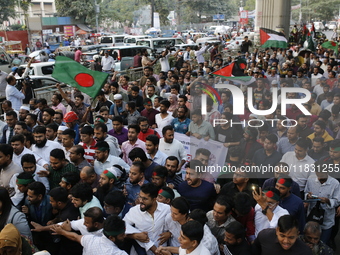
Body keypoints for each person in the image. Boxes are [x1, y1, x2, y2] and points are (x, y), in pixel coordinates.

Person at [123, 183, 170, 254]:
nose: (141, 201)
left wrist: (170, 234)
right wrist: (134, 236)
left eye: (145, 199)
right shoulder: (134, 211)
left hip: (162, 251)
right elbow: (121, 228)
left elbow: (176, 226)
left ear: (154, 199)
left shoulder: (166, 209)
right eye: (140, 197)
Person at [51, 215, 128, 255]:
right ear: (111, 238)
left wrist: (62, 232)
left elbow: (75, 237)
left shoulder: (90, 240)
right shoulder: (119, 253)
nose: (124, 236)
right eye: (122, 235)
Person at [305, 162, 340, 244]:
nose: (319, 175)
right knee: (310, 243)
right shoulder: (311, 179)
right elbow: (306, 192)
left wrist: (327, 201)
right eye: (317, 172)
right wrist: (308, 196)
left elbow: (337, 201)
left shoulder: (335, 183)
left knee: (323, 243)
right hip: (312, 218)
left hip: (326, 220)